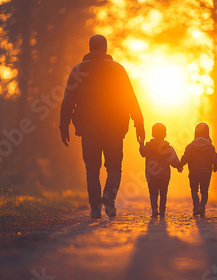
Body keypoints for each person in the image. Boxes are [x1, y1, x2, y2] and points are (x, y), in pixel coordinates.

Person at [59, 34, 145, 218]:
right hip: (114, 128)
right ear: (105, 48)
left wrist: (63, 125)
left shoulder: (78, 70)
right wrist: (140, 124)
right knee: (114, 167)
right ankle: (109, 197)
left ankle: (95, 209)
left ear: (90, 48)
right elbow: (131, 99)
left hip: (89, 129)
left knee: (92, 169)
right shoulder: (118, 69)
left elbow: (68, 100)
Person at [139, 123, 182, 218]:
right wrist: (179, 166)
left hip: (151, 175)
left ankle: (154, 210)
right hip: (164, 175)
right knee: (163, 193)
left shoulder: (148, 147)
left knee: (153, 192)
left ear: (152, 134)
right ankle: (162, 211)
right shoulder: (167, 147)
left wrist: (141, 143)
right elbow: (173, 159)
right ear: (165, 134)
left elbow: (142, 153)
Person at [180, 122, 217, 217]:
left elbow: (186, 158)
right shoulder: (210, 146)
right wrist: (215, 167)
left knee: (194, 190)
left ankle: (196, 206)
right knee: (204, 191)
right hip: (206, 172)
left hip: (194, 172)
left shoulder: (190, 146)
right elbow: (215, 159)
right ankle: (202, 207)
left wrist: (180, 165)